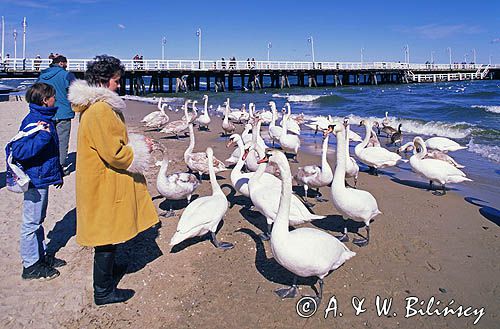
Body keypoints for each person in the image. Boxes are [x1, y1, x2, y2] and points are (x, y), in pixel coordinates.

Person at [68, 55, 159, 306]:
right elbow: (115, 153)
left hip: (100, 177)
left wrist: (135, 143)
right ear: (104, 81)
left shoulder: (95, 107)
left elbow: (111, 143)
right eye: (116, 81)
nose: (119, 85)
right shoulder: (100, 110)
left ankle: (108, 274)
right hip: (103, 180)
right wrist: (140, 150)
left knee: (108, 230)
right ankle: (103, 291)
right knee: (104, 234)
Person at [8, 83, 65, 280]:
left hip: (42, 177)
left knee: (38, 220)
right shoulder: (34, 120)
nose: (55, 99)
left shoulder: (44, 118)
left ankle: (40, 256)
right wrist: (42, 137)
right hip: (34, 180)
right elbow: (20, 151)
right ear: (44, 100)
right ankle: (30, 265)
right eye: (53, 97)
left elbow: (50, 153)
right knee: (31, 223)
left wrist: (57, 173)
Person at [37, 55, 76, 174]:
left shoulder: (42, 76)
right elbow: (76, 91)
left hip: (46, 112)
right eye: (66, 63)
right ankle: (59, 167)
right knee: (62, 140)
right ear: (61, 63)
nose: (67, 65)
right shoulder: (66, 75)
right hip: (63, 112)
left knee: (46, 140)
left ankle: (47, 165)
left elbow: (35, 92)